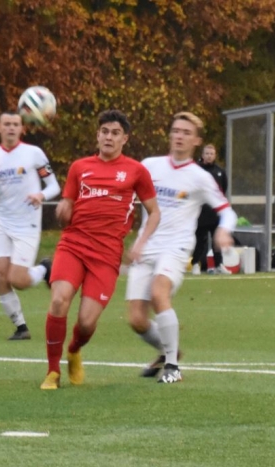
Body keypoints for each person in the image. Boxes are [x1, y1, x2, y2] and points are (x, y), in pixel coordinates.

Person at [41, 110, 161, 390]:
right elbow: (68, 207)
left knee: (86, 323)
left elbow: (154, 212)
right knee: (59, 301)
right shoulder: (79, 167)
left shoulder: (136, 171)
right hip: (73, 245)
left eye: (115, 133)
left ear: (125, 139)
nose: (109, 137)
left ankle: (74, 350)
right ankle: (52, 371)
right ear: (97, 135)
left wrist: (140, 243)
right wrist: (63, 210)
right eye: (104, 131)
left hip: (106, 255)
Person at [127, 112, 237, 384]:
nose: (179, 136)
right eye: (176, 130)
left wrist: (224, 229)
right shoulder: (149, 166)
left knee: (159, 292)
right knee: (137, 320)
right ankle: (169, 351)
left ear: (196, 141)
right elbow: (125, 195)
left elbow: (227, 211)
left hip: (176, 248)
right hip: (146, 247)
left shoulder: (200, 177)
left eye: (186, 133)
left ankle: (173, 367)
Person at [0, 111, 61, 340]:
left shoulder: (34, 154)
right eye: (7, 124)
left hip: (27, 223)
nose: (11, 128)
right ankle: (21, 327)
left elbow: (54, 186)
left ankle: (44, 269)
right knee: (0, 275)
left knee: (18, 280)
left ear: (22, 129)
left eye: (15, 124)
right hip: (2, 221)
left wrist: (41, 195)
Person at [191, 144, 229, 274]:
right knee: (200, 240)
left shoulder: (220, 172)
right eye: (206, 153)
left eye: (211, 154)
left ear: (215, 155)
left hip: (215, 213)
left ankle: (219, 264)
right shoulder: (196, 171)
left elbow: (223, 189)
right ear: (202, 155)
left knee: (217, 240)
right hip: (200, 212)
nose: (209, 156)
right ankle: (195, 263)